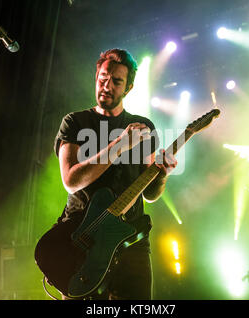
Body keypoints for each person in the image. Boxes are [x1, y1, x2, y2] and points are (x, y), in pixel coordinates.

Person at [54, 48, 177, 300]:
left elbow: (150, 193)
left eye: (116, 81)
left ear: (128, 87)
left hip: (131, 240)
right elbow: (70, 181)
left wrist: (162, 175)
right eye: (102, 78)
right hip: (84, 238)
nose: (106, 86)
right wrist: (119, 144)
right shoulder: (75, 122)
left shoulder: (144, 127)